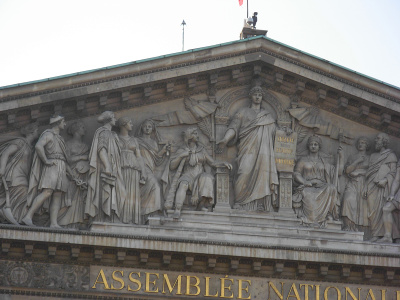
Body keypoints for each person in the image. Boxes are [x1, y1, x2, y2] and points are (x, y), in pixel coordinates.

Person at [216, 86, 279, 211]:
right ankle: (240, 202)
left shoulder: (268, 116)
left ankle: (261, 204)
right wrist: (225, 140)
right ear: (251, 96)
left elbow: (276, 134)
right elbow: (233, 128)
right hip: (247, 149)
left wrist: (286, 133)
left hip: (264, 152)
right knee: (243, 172)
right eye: (255, 94)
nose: (257, 97)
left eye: (260, 95)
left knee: (264, 175)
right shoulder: (242, 112)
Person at [165, 127, 231, 218]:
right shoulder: (182, 150)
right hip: (187, 175)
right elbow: (172, 166)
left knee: (207, 178)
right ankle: (177, 209)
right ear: (190, 136)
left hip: (199, 175)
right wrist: (181, 156)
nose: (198, 136)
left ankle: (202, 205)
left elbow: (212, 162)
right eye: (195, 134)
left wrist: (223, 163)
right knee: (183, 185)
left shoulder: (201, 150)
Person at [22, 116, 74, 228]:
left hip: (60, 166)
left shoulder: (60, 138)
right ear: (58, 122)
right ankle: (28, 216)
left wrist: (72, 175)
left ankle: (54, 223)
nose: (65, 124)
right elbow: (38, 146)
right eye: (64, 122)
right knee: (47, 192)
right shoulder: (49, 134)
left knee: (57, 194)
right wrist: (46, 160)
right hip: (52, 165)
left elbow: (64, 160)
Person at [292, 135, 343, 227]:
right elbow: (296, 174)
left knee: (332, 188)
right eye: (311, 144)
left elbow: (338, 173)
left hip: (322, 187)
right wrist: (305, 182)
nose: (313, 146)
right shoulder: (303, 160)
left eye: (316, 144)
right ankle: (311, 219)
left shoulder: (324, 161)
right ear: (308, 146)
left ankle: (329, 214)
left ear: (319, 146)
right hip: (308, 187)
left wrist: (341, 156)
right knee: (307, 194)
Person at [85, 111, 126, 223]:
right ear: (109, 119)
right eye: (113, 117)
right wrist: (107, 166)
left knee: (117, 192)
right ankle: (103, 218)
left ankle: (110, 217)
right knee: (106, 190)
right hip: (107, 168)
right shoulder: (103, 132)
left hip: (114, 167)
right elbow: (101, 150)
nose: (115, 120)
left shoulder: (112, 134)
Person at [0, 123, 38, 224]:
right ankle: (12, 217)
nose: (38, 133)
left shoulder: (31, 147)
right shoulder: (20, 142)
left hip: (23, 175)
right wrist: (2, 169)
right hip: (14, 174)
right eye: (37, 131)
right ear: (32, 132)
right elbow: (6, 153)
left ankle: (15, 219)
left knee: (25, 196)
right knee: (23, 193)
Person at [363, 133, 397, 242]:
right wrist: (364, 186)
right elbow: (367, 172)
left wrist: (386, 180)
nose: (376, 141)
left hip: (383, 187)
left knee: (382, 209)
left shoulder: (391, 155)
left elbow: (393, 172)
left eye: (378, 139)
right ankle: (375, 234)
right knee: (372, 211)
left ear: (384, 141)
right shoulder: (372, 156)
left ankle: (384, 235)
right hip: (371, 185)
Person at [58, 121, 89, 228]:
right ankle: (64, 222)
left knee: (80, 199)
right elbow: (67, 160)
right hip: (70, 175)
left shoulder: (85, 146)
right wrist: (81, 157)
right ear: (76, 130)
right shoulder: (68, 144)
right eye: (82, 127)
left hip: (83, 175)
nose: (85, 129)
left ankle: (77, 222)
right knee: (68, 198)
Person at [137, 119, 169, 221]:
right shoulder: (136, 140)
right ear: (141, 127)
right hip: (140, 168)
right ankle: (150, 213)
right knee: (155, 186)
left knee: (155, 186)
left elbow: (155, 158)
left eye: (149, 127)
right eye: (145, 126)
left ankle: (148, 213)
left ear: (153, 129)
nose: (147, 128)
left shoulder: (154, 143)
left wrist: (164, 150)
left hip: (150, 169)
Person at [118, 117, 145, 224]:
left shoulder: (134, 140)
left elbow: (139, 157)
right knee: (121, 193)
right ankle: (120, 218)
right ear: (124, 124)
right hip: (120, 169)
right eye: (130, 123)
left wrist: (143, 171)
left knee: (132, 194)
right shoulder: (115, 138)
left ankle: (132, 220)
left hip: (134, 169)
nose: (132, 125)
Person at [341, 137, 370, 231]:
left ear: (367, 145)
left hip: (364, 184)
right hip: (352, 183)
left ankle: (358, 228)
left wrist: (360, 173)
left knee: (361, 207)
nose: (361, 144)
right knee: (347, 199)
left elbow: (373, 173)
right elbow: (347, 170)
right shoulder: (352, 157)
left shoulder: (370, 158)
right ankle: (347, 225)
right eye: (359, 142)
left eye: (363, 142)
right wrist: (357, 161)